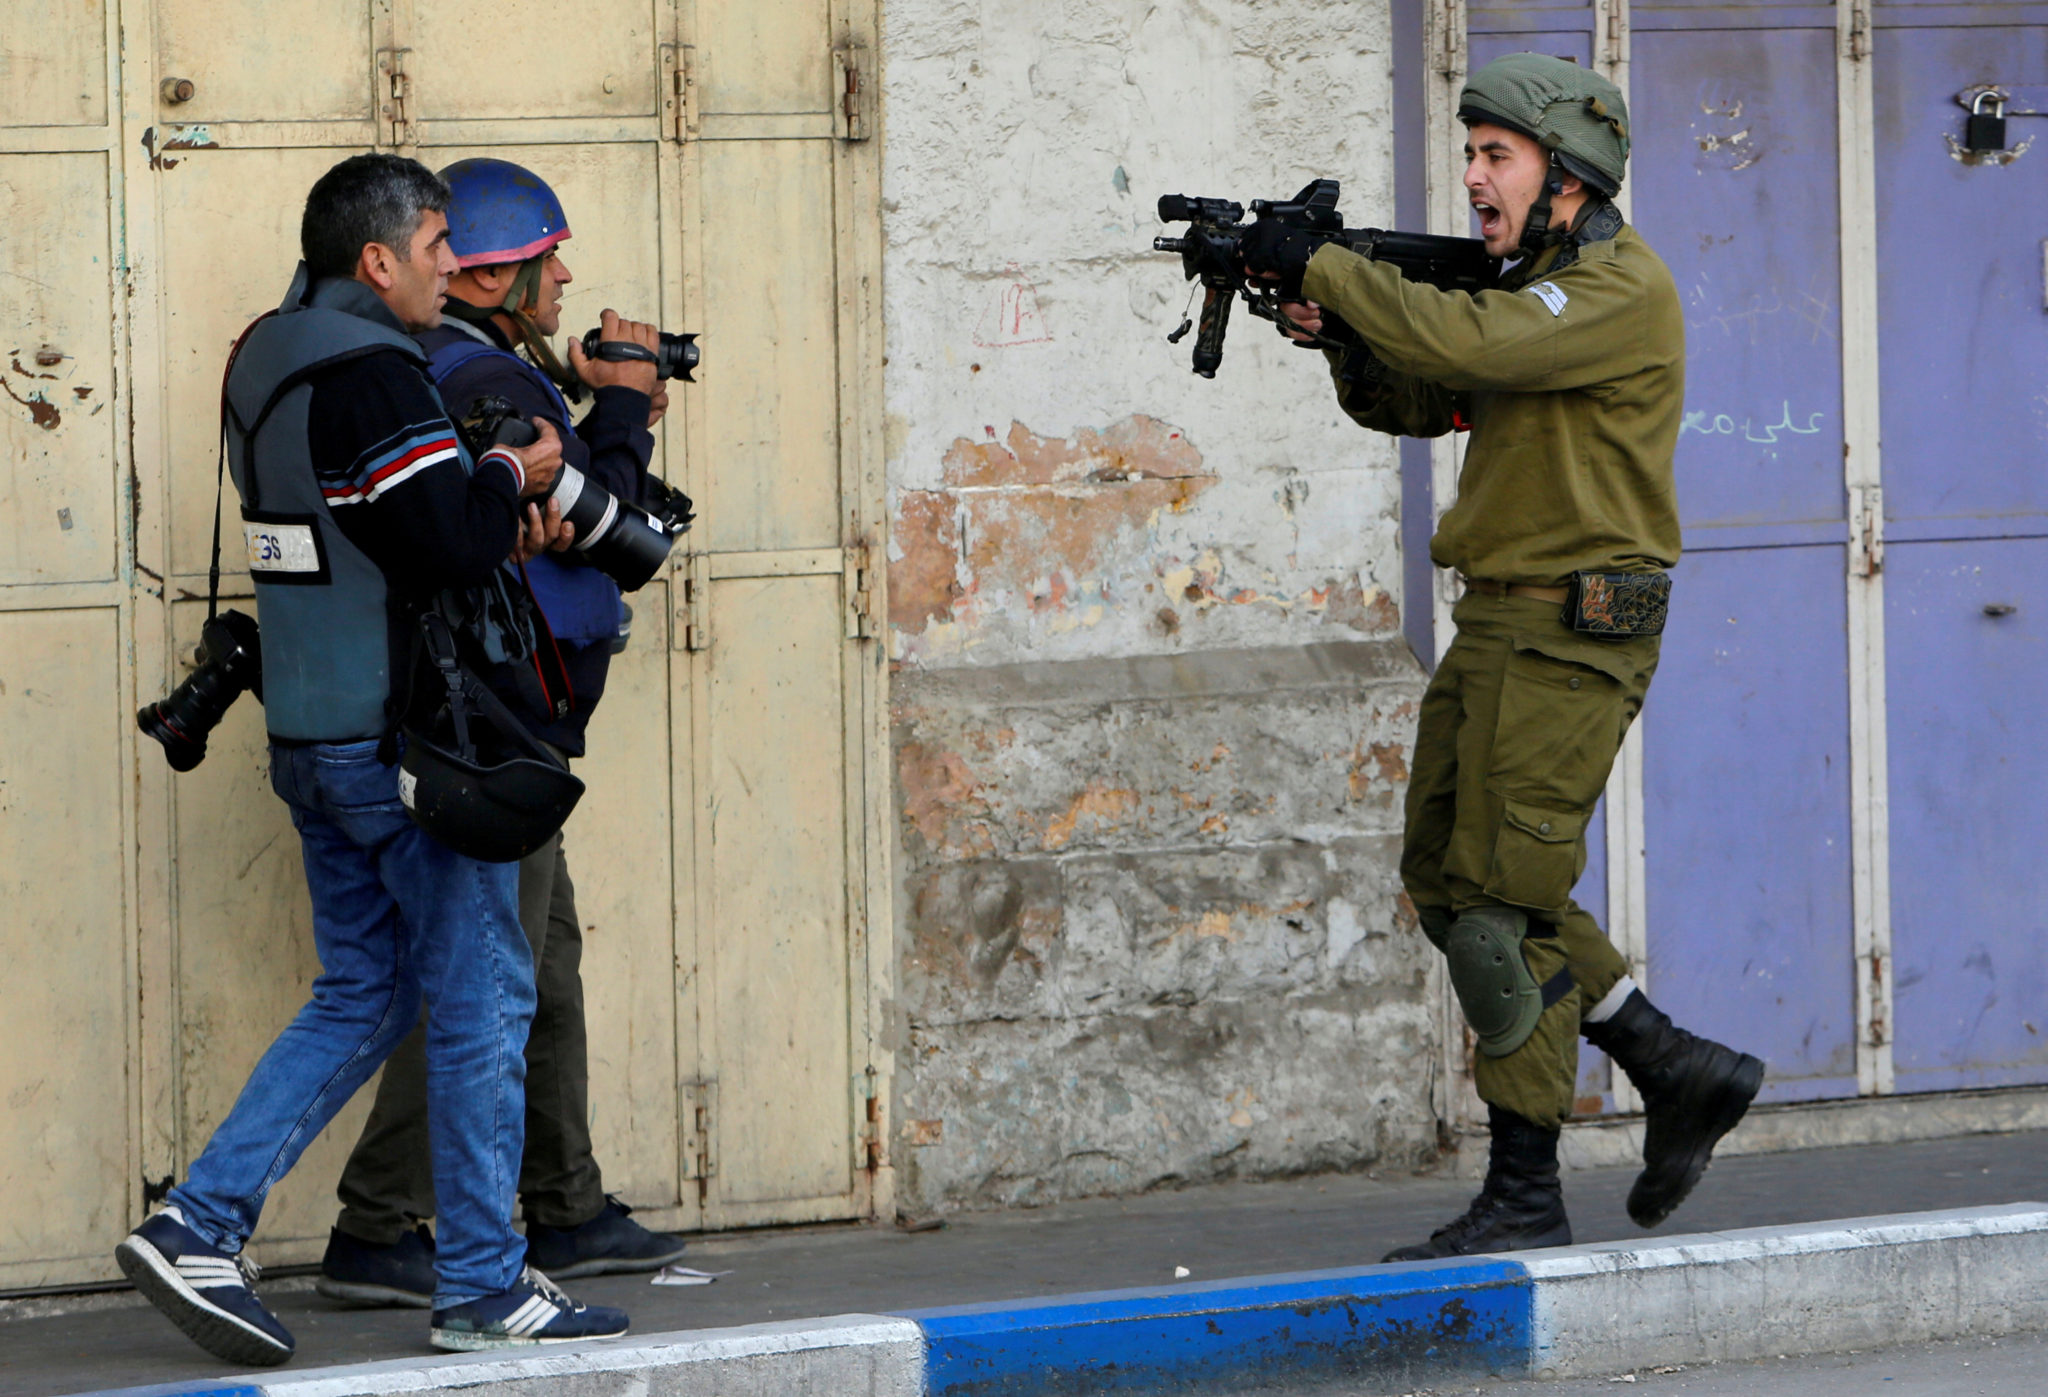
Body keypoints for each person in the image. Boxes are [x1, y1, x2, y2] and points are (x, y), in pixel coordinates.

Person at [1238, 53, 1766, 1259]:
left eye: (1495, 155)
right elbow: (1424, 398)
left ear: (1566, 174)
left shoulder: (1613, 290)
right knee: (1444, 873)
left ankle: (1525, 1190)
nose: (1472, 175)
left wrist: (1324, 263)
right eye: (1468, 152)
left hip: (1575, 627)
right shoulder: (1529, 291)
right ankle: (1669, 1062)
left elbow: (1470, 346)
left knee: (1500, 909)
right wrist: (1336, 333)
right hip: (1499, 618)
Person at [114, 153, 629, 1363]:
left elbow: (344, 524)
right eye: (438, 246)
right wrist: (512, 470)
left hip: (307, 728)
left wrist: (471, 494)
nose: (452, 266)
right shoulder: (377, 371)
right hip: (399, 746)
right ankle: (484, 1284)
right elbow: (447, 540)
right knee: (484, 998)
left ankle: (197, 1220)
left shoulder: (265, 353)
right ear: (378, 258)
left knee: (368, 988)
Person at [315, 157, 690, 1308]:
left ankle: (565, 1205)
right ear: (488, 275)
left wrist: (592, 401)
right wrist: (620, 408)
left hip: (513, 730)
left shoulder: (467, 364)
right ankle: (379, 1224)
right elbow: (612, 527)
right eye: (546, 259)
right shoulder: (474, 373)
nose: (565, 277)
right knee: (477, 980)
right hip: (486, 731)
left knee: (544, 968)